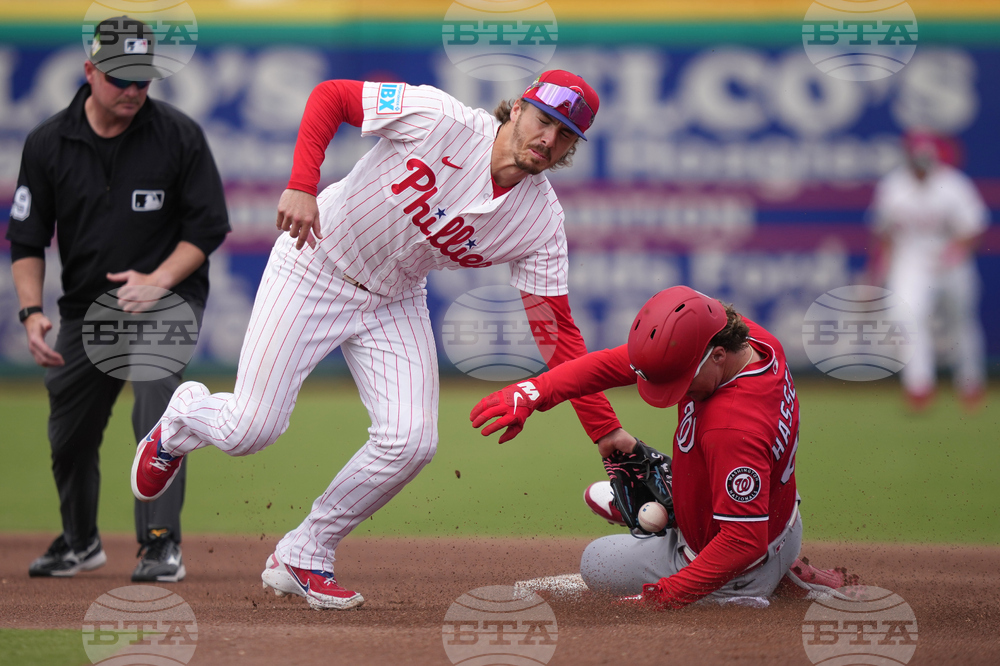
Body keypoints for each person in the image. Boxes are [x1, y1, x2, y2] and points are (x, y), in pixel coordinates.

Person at [130, 70, 634, 609]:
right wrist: (303, 183)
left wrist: (605, 433)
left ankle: (305, 551)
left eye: (566, 136)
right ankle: (184, 418)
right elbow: (332, 96)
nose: (549, 140)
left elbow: (556, 330)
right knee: (252, 428)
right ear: (517, 109)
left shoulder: (539, 220)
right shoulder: (441, 119)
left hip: (394, 299)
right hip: (314, 266)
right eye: (544, 120)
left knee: (411, 440)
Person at [7, 17, 230, 582]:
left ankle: (160, 542)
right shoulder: (48, 143)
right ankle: (80, 541)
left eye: (143, 79)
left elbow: (207, 228)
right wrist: (31, 312)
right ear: (90, 71)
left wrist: (157, 279)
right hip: (87, 309)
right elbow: (28, 240)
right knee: (70, 431)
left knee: (157, 401)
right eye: (121, 78)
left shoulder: (178, 135)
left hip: (166, 300)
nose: (133, 90)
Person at [472, 286, 855, 608]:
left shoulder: (732, 425)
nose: (673, 390)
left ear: (718, 356)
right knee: (721, 495)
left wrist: (666, 595)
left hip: (739, 559)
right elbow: (612, 365)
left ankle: (746, 590)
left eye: (680, 379)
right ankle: (772, 560)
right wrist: (535, 390)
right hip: (775, 512)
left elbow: (742, 541)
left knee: (597, 562)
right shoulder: (752, 341)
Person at [869, 131, 989, 411]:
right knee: (906, 318)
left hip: (951, 262)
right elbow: (884, 233)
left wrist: (956, 250)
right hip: (911, 261)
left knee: (962, 322)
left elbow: (973, 227)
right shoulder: (893, 186)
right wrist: (878, 270)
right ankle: (919, 386)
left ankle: (970, 384)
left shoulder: (954, 184)